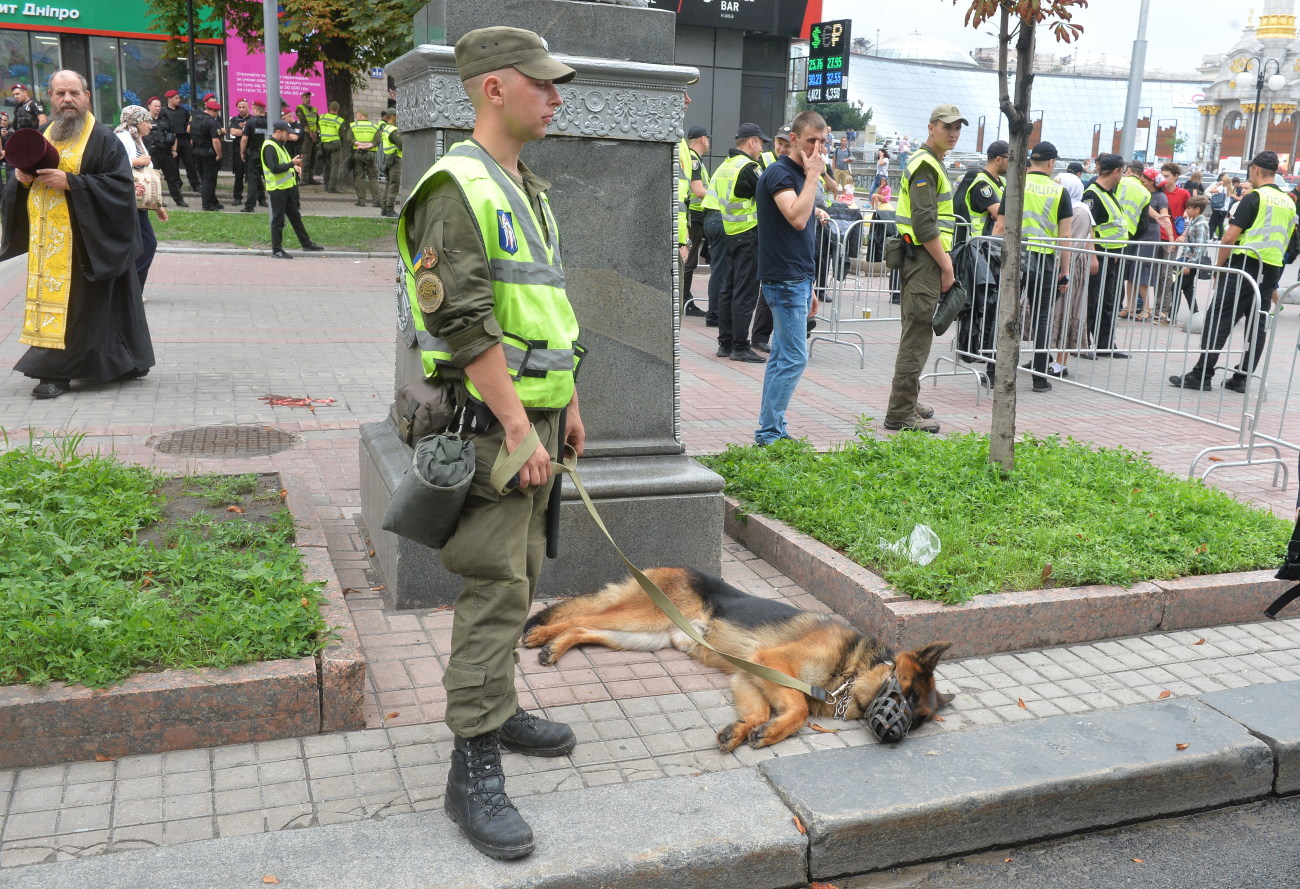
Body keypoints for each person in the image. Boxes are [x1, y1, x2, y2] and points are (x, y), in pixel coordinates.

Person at [397, 26, 584, 860]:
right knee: (494, 590)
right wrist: (516, 423)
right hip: (488, 427)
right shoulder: (454, 186)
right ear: (492, 89)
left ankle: (499, 713)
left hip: (534, 419)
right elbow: (462, 321)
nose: (556, 96)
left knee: (523, 577)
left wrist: (565, 404)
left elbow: (544, 308)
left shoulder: (527, 187)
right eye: (540, 83)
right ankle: (470, 769)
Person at [1, 70, 154, 399]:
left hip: (86, 243)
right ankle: (111, 363)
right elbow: (19, 177)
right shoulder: (44, 132)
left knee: (82, 309)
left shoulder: (103, 139)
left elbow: (120, 188)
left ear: (87, 96)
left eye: (73, 93)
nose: (67, 99)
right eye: (60, 94)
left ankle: (56, 373)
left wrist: (73, 183)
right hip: (48, 242)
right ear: (51, 97)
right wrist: (21, 181)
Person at [1171, 151, 1297, 393]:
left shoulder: (1254, 198)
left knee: (1219, 318)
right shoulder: (1288, 201)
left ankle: (1201, 374)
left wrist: (1218, 266)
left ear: (1257, 170)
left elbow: (1229, 237)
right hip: (1271, 269)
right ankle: (1241, 378)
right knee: (1256, 324)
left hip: (1244, 265)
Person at [884, 104, 965, 433]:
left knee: (914, 333)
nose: (953, 132)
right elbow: (925, 222)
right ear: (931, 127)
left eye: (958, 127)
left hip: (920, 258)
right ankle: (900, 412)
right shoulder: (926, 165)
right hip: (925, 259)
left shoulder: (930, 161)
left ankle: (907, 397)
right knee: (917, 337)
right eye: (947, 126)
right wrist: (946, 266)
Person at [753, 110, 828, 445]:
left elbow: (801, 233)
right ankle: (770, 433)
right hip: (783, 279)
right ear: (793, 139)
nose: (817, 148)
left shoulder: (797, 174)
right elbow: (797, 219)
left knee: (783, 356)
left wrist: (808, 284)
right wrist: (813, 177)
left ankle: (772, 429)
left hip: (795, 278)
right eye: (811, 140)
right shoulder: (779, 173)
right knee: (795, 357)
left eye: (823, 142)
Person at [709, 122, 768, 363]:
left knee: (728, 289)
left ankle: (725, 343)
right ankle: (740, 347)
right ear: (751, 142)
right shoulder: (748, 167)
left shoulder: (726, 165)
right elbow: (768, 198)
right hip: (747, 234)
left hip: (730, 232)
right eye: (761, 143)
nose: (762, 149)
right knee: (745, 293)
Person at [1019, 141, 1072, 392]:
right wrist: (1065, 271)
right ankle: (1039, 378)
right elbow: (1065, 236)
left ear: (1031, 160)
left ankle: (994, 370)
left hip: (1015, 258)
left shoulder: (1015, 184)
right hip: (1045, 260)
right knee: (1042, 317)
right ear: (1051, 163)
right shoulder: (1059, 191)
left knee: (1005, 313)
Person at [953, 140, 1008, 378]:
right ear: (998, 158)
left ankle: (982, 350)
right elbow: (1001, 214)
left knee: (992, 306)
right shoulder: (982, 184)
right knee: (979, 304)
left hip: (994, 250)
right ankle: (970, 349)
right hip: (980, 251)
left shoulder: (1002, 182)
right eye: (1010, 158)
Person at [114, 104, 170, 293]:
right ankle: (131, 291)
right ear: (136, 122)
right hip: (127, 203)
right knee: (146, 244)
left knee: (142, 245)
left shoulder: (136, 139)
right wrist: (136, 161)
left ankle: (133, 291)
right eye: (146, 121)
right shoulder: (122, 138)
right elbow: (112, 165)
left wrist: (157, 206)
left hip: (139, 204)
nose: (150, 125)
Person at [1080, 153, 1130, 360]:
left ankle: (1105, 343)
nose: (1123, 176)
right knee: (1095, 301)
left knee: (1108, 301)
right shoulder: (1092, 194)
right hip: (1099, 255)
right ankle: (1086, 343)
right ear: (1116, 171)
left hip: (1112, 255)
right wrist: (1093, 256)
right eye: (1123, 172)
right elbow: (1088, 227)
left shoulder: (1108, 193)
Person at [1048, 170, 1097, 379]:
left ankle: (1061, 362)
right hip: (1062, 263)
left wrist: (1061, 268)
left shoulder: (1079, 211)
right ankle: (1046, 355)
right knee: (1052, 312)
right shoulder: (1069, 209)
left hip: (1070, 266)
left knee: (1067, 310)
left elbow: (1072, 242)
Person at [262, 121, 325, 259]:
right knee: (278, 220)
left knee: (295, 217)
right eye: (287, 133)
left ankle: (306, 243)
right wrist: (292, 163)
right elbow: (274, 168)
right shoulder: (269, 147)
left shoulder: (279, 145)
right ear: (278, 131)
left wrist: (292, 166)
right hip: (277, 189)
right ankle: (276, 250)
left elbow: (282, 165)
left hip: (286, 189)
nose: (289, 135)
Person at [680, 125, 710, 316]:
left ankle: (686, 298)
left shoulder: (694, 158)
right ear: (702, 139)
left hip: (696, 215)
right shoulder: (694, 160)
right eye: (708, 139)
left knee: (691, 261)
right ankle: (686, 301)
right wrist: (720, 201)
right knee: (690, 262)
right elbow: (699, 191)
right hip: (696, 215)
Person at [1175, 194, 1211, 320]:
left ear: (1197, 209)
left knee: (1176, 286)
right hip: (1187, 259)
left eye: (1189, 208)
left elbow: (1199, 247)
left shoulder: (1200, 224)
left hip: (1191, 261)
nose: (1187, 210)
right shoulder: (1193, 221)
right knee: (1187, 288)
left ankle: (1171, 316)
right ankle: (1195, 313)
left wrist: (1189, 264)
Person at [145, 96, 186, 207]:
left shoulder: (165, 119)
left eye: (159, 106)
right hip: (153, 153)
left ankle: (179, 200)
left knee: (172, 177)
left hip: (166, 152)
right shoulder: (145, 120)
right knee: (155, 178)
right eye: (155, 106)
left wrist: (174, 149)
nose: (157, 108)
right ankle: (157, 200)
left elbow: (173, 135)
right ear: (149, 106)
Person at [161, 89, 200, 191]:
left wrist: (191, 137)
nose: (179, 100)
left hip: (184, 139)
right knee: (174, 164)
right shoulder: (164, 112)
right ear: (170, 99)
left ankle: (195, 184)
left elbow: (189, 124)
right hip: (172, 140)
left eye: (179, 98)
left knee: (190, 163)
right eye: (176, 98)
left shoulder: (183, 111)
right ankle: (177, 183)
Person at [191, 98, 224, 211]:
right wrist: (219, 154)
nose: (217, 114)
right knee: (209, 179)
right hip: (208, 153)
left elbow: (190, 132)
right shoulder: (212, 122)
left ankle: (213, 201)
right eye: (216, 112)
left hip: (196, 151)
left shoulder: (195, 119)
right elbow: (216, 141)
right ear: (212, 111)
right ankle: (207, 205)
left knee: (204, 178)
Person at [240, 99, 269, 212]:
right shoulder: (270, 121)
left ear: (255, 109)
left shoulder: (251, 122)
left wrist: (242, 152)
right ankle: (268, 201)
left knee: (252, 179)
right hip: (267, 153)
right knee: (269, 178)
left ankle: (249, 206)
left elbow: (244, 139)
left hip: (254, 154)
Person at [350, 109, 380, 208]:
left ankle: (361, 201)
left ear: (361, 115)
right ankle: (376, 202)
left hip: (358, 154)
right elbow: (377, 141)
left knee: (359, 177)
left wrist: (359, 144)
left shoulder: (353, 125)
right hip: (371, 154)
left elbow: (348, 138)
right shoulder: (374, 126)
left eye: (357, 114)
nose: (356, 116)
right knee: (373, 178)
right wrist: (367, 145)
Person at [377, 108, 403, 218]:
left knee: (388, 183)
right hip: (395, 159)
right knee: (394, 184)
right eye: (396, 116)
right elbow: (401, 144)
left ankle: (384, 208)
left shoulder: (386, 128)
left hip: (387, 159)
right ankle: (390, 209)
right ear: (392, 116)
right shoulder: (393, 130)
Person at [318, 100, 345, 193]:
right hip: (335, 144)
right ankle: (332, 188)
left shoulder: (322, 117)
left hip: (324, 144)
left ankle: (325, 185)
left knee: (327, 165)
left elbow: (319, 129)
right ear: (337, 109)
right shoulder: (339, 120)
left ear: (330, 108)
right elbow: (342, 135)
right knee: (334, 166)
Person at [227, 98, 249, 205]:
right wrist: (247, 132)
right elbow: (233, 131)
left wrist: (242, 132)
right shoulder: (234, 120)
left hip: (250, 148)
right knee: (239, 175)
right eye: (239, 107)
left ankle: (260, 198)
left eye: (243, 107)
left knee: (255, 176)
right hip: (237, 149)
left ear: (248, 107)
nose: (241, 109)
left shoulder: (253, 119)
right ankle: (237, 197)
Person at [294, 91, 320, 185]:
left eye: (309, 97)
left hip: (314, 135)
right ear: (302, 98)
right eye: (306, 97)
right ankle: (304, 179)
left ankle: (310, 178)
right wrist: (310, 133)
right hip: (306, 135)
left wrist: (315, 133)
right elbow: (303, 122)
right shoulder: (300, 108)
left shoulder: (314, 109)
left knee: (313, 156)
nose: (308, 99)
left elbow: (317, 121)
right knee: (306, 157)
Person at [1207, 173, 1232, 238]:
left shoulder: (1221, 188)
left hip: (1218, 208)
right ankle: (1220, 238)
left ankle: (1210, 237)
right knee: (1220, 224)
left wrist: (1218, 184)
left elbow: (1211, 190)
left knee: (1211, 223)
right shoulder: (1230, 188)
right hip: (1225, 209)